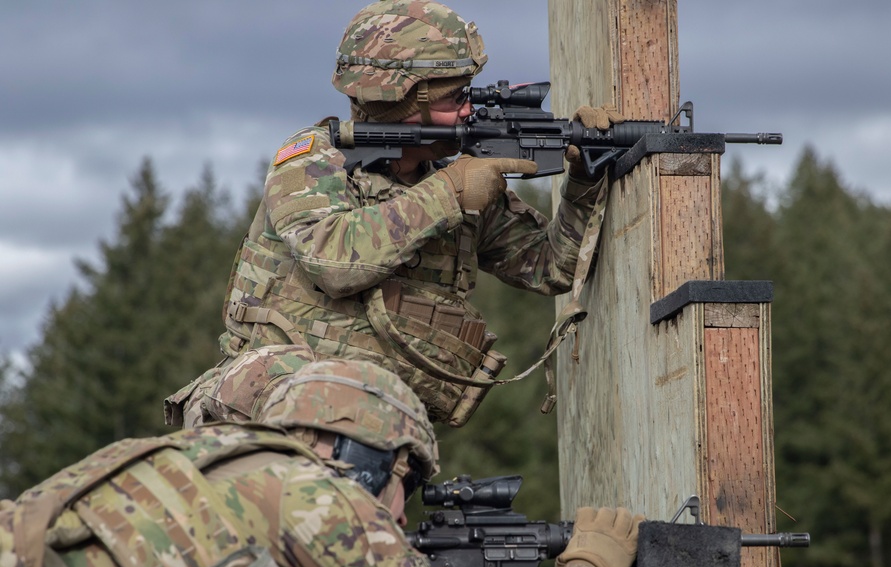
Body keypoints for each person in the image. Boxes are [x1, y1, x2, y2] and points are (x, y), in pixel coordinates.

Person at [165, 0, 624, 429]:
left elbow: (553, 266)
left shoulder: (455, 176)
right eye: (454, 97)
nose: (469, 108)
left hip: (371, 429)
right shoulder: (314, 159)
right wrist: (448, 194)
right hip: (261, 419)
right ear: (403, 101)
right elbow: (334, 263)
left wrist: (584, 175)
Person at [2, 358, 642, 567]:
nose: (398, 513)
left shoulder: (207, 453)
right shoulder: (321, 499)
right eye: (404, 482)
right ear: (366, 454)